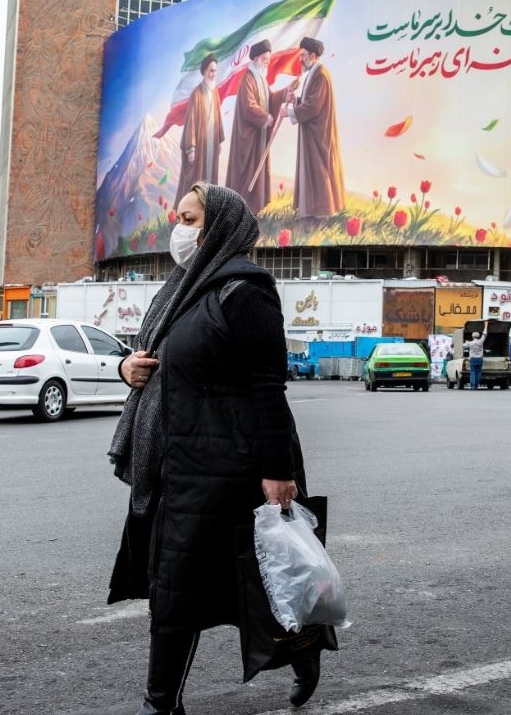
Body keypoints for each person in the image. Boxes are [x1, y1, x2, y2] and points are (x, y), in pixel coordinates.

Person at [107, 182, 327, 713]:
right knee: (174, 590)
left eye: (189, 218)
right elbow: (157, 362)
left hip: (232, 468)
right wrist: (126, 369)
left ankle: (304, 657)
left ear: (218, 227)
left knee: (266, 577)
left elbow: (268, 388)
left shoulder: (245, 291)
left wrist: (278, 472)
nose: (178, 230)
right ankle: (161, 703)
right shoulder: (182, 290)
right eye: (178, 218)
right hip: (175, 466)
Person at [225, 40, 297, 214]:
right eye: (265, 58)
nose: (267, 61)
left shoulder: (261, 80)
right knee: (245, 175)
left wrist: (287, 91)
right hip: (247, 139)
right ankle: (240, 212)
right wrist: (265, 117)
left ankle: (254, 210)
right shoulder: (247, 80)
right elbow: (248, 106)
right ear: (256, 58)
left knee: (257, 175)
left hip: (259, 137)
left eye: (268, 58)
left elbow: (270, 99)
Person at [283, 37, 345, 221]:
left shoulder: (321, 74)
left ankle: (321, 215)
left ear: (312, 55)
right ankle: (311, 212)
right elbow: (309, 101)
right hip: (312, 132)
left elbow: (315, 106)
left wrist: (290, 112)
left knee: (319, 172)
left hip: (319, 135)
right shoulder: (313, 72)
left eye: (303, 55)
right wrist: (297, 102)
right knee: (312, 171)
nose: (300, 59)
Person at [174, 56, 225, 206]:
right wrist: (191, 149)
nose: (213, 74)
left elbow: (218, 116)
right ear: (204, 72)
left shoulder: (214, 92)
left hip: (212, 144)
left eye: (215, 71)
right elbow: (191, 123)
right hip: (200, 146)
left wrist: (219, 140)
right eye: (210, 71)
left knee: (210, 177)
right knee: (197, 178)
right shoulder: (196, 94)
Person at [466, 324, 488, 390]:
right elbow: (484, 334)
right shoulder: (481, 341)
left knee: (473, 372)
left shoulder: (470, 343)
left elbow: (463, 346)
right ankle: (476, 385)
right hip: (480, 359)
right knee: (478, 373)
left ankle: (472, 386)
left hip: (473, 359)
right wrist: (486, 325)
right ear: (478, 336)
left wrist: (466, 342)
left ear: (472, 336)